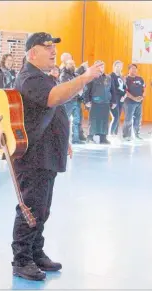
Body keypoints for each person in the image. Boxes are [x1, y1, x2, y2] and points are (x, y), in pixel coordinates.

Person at [12, 32, 103, 281]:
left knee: (43, 208)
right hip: (33, 155)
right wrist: (84, 78)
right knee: (31, 208)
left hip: (48, 150)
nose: (53, 51)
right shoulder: (30, 77)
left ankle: (35, 252)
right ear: (32, 53)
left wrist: (64, 140)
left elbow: (53, 111)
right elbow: (56, 98)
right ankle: (21, 260)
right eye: (47, 47)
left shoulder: (42, 77)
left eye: (53, 47)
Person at [84, 60, 116, 144]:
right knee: (93, 120)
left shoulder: (108, 77)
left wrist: (114, 101)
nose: (101, 68)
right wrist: (86, 101)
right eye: (99, 66)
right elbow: (86, 90)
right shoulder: (91, 77)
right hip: (94, 103)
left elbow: (113, 90)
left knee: (105, 120)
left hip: (106, 103)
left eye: (102, 66)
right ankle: (90, 137)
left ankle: (103, 138)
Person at [60, 59, 85, 144]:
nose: (73, 65)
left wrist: (81, 89)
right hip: (68, 101)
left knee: (77, 121)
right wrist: (77, 89)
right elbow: (66, 87)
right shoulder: (63, 75)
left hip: (76, 101)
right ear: (66, 65)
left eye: (73, 64)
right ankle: (63, 139)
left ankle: (76, 139)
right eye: (70, 64)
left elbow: (82, 84)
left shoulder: (76, 75)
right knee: (65, 121)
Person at [122, 64, 145, 141]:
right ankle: (126, 136)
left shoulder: (140, 78)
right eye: (132, 68)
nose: (134, 70)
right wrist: (134, 98)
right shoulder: (125, 79)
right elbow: (125, 91)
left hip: (139, 102)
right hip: (129, 102)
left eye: (135, 68)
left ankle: (137, 134)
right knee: (128, 119)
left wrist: (142, 97)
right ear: (129, 70)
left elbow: (144, 88)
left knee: (138, 119)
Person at [109, 60, 126, 136]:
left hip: (121, 99)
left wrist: (124, 96)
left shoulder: (121, 77)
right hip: (114, 99)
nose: (118, 68)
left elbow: (125, 88)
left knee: (118, 118)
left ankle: (115, 134)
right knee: (115, 117)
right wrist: (113, 101)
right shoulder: (111, 76)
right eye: (117, 66)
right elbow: (112, 89)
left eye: (120, 66)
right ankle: (111, 134)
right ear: (114, 66)